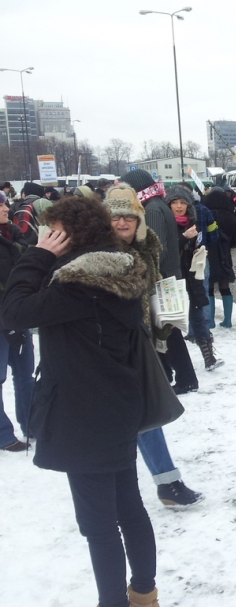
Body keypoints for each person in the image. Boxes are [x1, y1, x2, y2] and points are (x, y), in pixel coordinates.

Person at [0, 196, 161, 607]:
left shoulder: (78, 284)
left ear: (69, 235)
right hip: (116, 402)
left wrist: (37, 255)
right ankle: (145, 594)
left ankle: (114, 602)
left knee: (99, 525)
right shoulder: (116, 270)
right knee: (129, 508)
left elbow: (13, 311)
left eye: (52, 231)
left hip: (81, 412)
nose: (46, 237)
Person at [106, 184, 203, 507]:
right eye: (115, 217)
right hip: (107, 352)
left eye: (129, 217)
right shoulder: (98, 255)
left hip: (136, 344)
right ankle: (121, 491)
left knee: (142, 415)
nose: (122, 223)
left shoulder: (142, 248)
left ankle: (165, 483)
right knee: (129, 420)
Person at [120, 169, 200, 395]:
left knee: (167, 331)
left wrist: (145, 270)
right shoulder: (156, 204)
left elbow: (156, 249)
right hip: (165, 275)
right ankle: (169, 375)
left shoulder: (153, 209)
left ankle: (185, 378)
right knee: (162, 329)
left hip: (162, 277)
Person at [166, 186, 222, 372]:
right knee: (171, 322)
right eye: (175, 202)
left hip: (191, 276)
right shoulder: (165, 223)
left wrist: (198, 251)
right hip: (172, 279)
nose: (179, 206)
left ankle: (209, 357)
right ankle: (170, 364)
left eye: (183, 202)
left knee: (198, 316)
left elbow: (210, 236)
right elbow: (165, 251)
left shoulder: (192, 222)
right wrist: (184, 238)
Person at [0, 191, 32, 452]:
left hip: (20, 314)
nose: (5, 209)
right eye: (0, 206)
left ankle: (32, 425)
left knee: (25, 374)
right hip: (2, 320)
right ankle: (3, 435)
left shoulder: (14, 233)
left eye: (4, 204)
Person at [204, 187, 236, 328]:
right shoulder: (230, 216)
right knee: (225, 286)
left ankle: (210, 321)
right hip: (225, 253)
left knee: (210, 287)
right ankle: (228, 320)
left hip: (209, 253)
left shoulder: (207, 214)